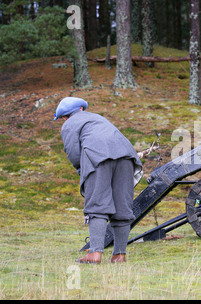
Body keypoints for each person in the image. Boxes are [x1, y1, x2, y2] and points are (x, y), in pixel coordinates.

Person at [54, 97, 143, 264]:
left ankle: (95, 254)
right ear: (81, 109)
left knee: (98, 204)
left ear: (64, 117)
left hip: (98, 157)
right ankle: (119, 255)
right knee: (122, 206)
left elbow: (73, 152)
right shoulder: (97, 117)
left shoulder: (69, 124)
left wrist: (82, 170)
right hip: (126, 156)